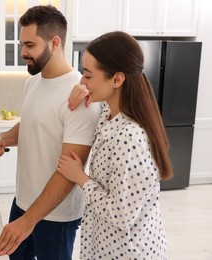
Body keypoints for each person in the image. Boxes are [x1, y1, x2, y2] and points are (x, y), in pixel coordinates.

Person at [0, 5, 101, 259]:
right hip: (22, 202)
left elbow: (70, 172)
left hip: (56, 215)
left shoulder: (80, 98)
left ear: (54, 42)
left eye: (30, 45)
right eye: (21, 44)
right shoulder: (32, 82)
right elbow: (32, 125)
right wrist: (4, 138)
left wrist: (28, 222)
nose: (23, 52)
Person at [56, 31, 173, 259]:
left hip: (127, 251)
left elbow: (120, 215)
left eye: (88, 75)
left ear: (117, 80)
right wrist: (85, 89)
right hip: (108, 245)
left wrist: (80, 177)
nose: (82, 81)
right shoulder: (111, 114)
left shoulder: (130, 138)